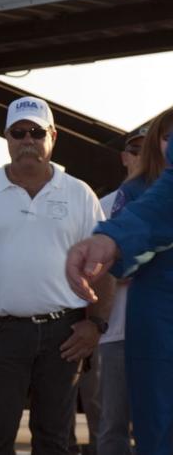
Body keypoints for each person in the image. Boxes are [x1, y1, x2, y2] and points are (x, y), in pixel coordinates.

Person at [0, 97, 112, 455]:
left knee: (55, 440)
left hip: (63, 334)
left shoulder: (79, 193)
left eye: (37, 132)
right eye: (19, 132)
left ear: (52, 136)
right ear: (7, 138)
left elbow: (103, 262)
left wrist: (96, 323)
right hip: (1, 332)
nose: (28, 140)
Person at [68, 108, 173, 455]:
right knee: (122, 425)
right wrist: (110, 242)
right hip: (129, 332)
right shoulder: (129, 197)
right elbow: (152, 216)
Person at [93, 125, 145, 455]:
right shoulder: (102, 206)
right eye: (135, 150)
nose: (143, 156)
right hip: (115, 334)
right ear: (124, 157)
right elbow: (90, 266)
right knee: (111, 425)